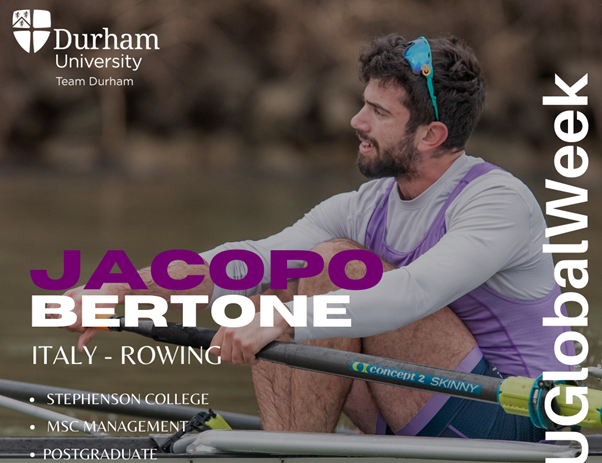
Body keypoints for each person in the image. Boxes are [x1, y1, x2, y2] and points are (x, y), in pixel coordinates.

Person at [64, 34, 571, 441]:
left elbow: (415, 293)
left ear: (431, 136)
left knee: (329, 267)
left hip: (518, 418)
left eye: (379, 112)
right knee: (291, 271)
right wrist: (127, 290)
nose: (356, 121)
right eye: (363, 104)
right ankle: (291, 456)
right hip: (421, 404)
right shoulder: (367, 206)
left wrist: (286, 319)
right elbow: (254, 260)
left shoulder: (497, 203)